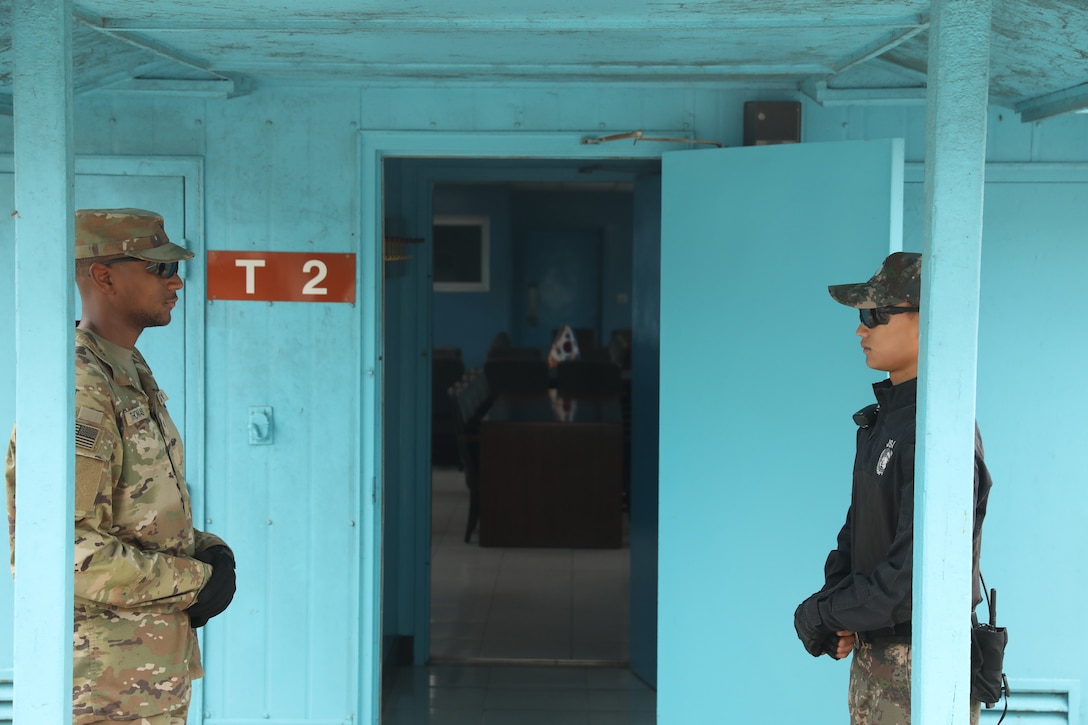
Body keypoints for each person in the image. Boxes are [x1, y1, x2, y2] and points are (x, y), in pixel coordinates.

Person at [5, 208, 237, 725]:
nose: (175, 279)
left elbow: (133, 513)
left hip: (143, 679)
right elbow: (63, 548)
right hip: (104, 690)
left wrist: (205, 548)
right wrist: (193, 579)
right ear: (103, 276)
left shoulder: (125, 371)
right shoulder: (80, 389)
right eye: (157, 268)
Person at [792, 251, 993, 724]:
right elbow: (858, 531)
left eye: (875, 315)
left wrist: (823, 613)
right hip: (878, 658)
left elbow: (910, 579)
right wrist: (834, 608)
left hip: (920, 665)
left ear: (930, 320)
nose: (861, 330)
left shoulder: (941, 429)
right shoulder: (889, 421)